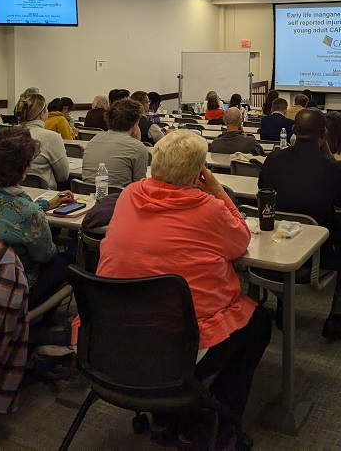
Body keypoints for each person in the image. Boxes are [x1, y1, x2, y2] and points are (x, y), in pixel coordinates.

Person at [96, 130, 271, 447]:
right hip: (177, 345)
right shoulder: (209, 208)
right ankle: (219, 420)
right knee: (258, 324)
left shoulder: (129, 195)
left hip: (112, 335)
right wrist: (218, 191)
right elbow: (240, 242)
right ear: (199, 172)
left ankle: (174, 415)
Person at [258, 109, 341, 340]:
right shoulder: (332, 166)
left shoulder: (274, 158)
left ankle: (282, 306)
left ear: (294, 131)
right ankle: (336, 318)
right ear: (323, 134)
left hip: (276, 243)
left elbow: (262, 189)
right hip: (318, 252)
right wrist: (328, 156)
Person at [0, 126, 75, 308]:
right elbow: (44, 255)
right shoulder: (28, 212)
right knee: (65, 259)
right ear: (23, 168)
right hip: (10, 290)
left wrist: (46, 205)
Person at [82, 98, 148, 188]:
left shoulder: (93, 140)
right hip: (119, 199)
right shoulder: (138, 148)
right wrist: (137, 141)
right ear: (135, 124)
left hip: (87, 195)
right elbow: (139, 187)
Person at [15, 92, 70, 189]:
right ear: (42, 114)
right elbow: (63, 176)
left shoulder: (10, 134)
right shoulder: (52, 138)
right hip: (45, 194)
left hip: (14, 190)